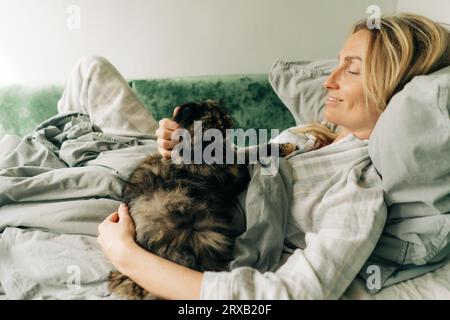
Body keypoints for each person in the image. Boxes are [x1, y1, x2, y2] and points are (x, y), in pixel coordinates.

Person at [97, 14, 450, 299]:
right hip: (180, 184)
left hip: (188, 224)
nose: (329, 80)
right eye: (338, 64)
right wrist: (184, 146)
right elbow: (239, 164)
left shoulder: (357, 190)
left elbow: (288, 294)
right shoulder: (312, 138)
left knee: (91, 76)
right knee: (93, 71)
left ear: (392, 88)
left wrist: (126, 256)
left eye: (352, 70)